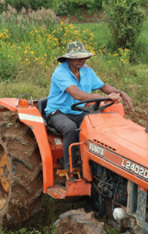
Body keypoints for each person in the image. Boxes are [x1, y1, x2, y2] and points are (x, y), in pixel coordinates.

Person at [45, 41, 133, 177]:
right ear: (68, 58)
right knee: (70, 127)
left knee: (100, 126)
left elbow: (103, 86)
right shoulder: (60, 72)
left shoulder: (87, 71)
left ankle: (100, 165)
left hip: (78, 111)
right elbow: (76, 94)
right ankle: (70, 170)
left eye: (83, 57)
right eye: (77, 57)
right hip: (57, 112)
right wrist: (101, 97)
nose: (81, 60)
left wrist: (120, 92)